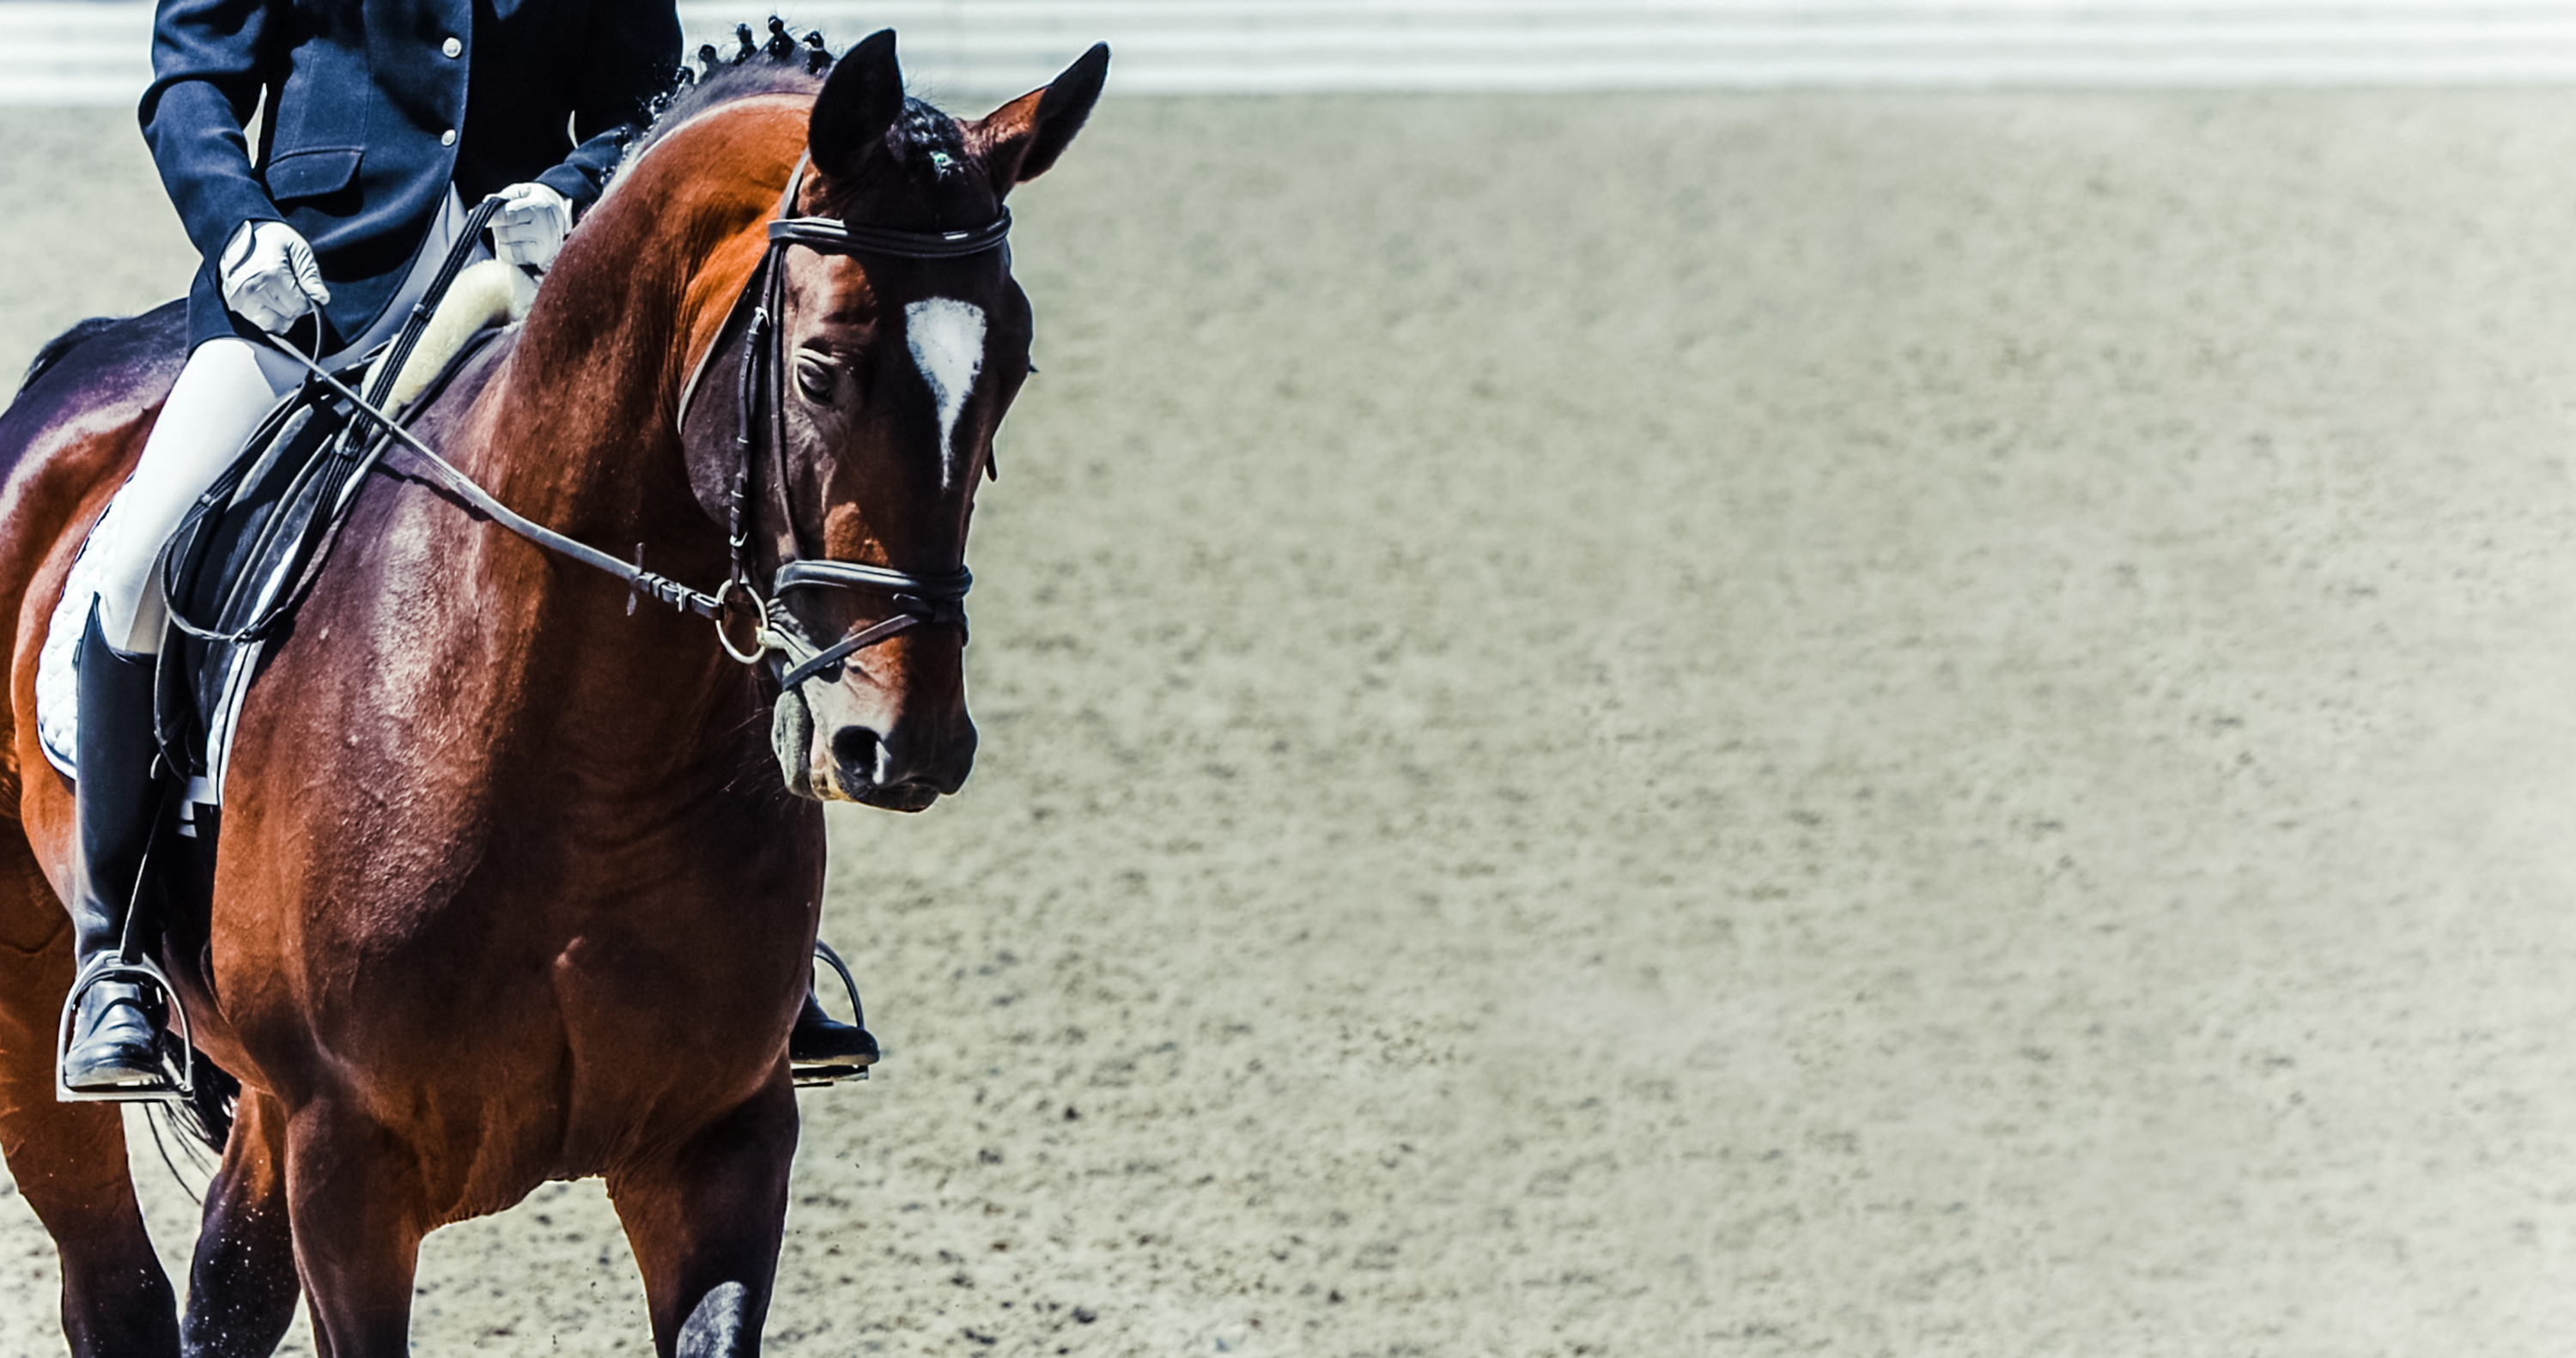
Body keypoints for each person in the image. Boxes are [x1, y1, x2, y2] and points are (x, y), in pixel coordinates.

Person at [64, 0, 873, 1091]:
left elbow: (647, 95)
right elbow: (193, 80)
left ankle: (770, 947)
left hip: (540, 294)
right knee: (141, 556)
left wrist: (576, 186)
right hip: (312, 283)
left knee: (719, 528)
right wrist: (239, 222)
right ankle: (115, 958)